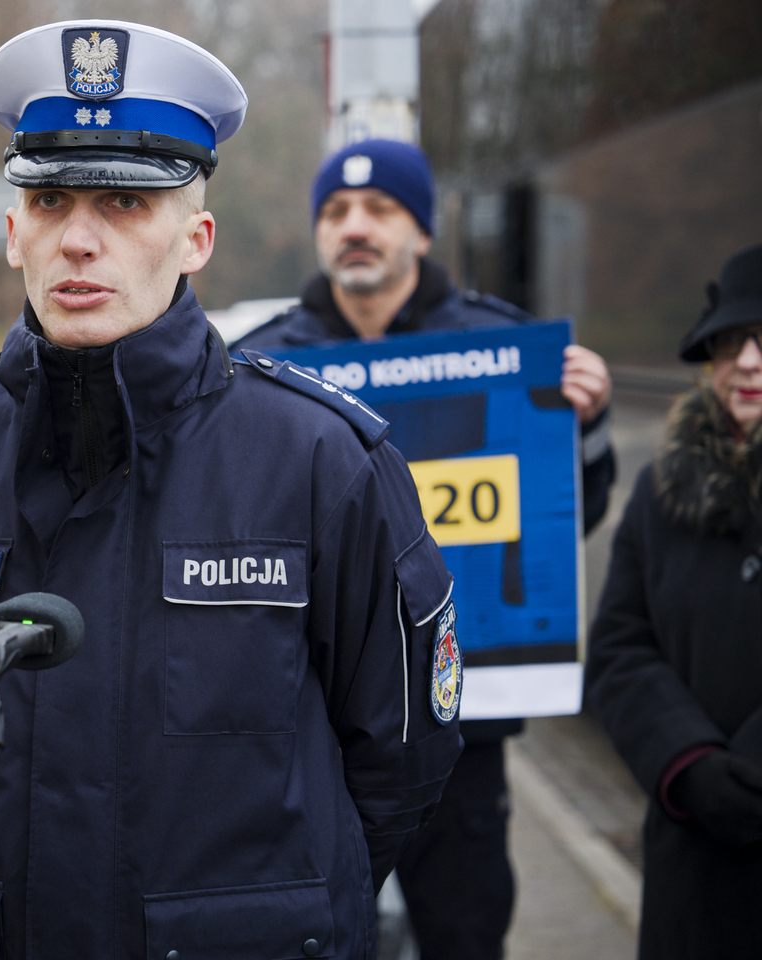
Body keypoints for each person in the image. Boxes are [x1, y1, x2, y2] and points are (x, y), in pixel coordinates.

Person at [0, 21, 463, 959]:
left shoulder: (320, 460)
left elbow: (401, 755)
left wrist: (274, 904)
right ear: (13, 235)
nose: (79, 240)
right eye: (49, 200)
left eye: (126, 202)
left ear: (195, 240)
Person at [232, 138, 618, 960]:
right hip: (308, 729)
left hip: (462, 726)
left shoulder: (507, 348)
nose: (355, 226)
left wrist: (582, 430)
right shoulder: (261, 363)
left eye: (380, 209)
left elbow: (561, 523)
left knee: (464, 931)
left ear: (424, 231)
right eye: (337, 211)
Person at [585, 242, 762, 959]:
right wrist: (690, 765)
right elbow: (620, 646)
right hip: (695, 856)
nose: (747, 361)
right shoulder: (663, 494)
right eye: (730, 342)